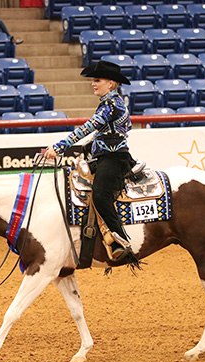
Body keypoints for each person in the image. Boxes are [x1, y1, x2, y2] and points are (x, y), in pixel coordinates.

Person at [44, 61, 135, 262]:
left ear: (110, 83)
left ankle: (121, 242)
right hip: (105, 156)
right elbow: (122, 128)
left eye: (97, 80)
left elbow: (89, 127)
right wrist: (95, 142)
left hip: (113, 159)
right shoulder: (113, 103)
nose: (93, 84)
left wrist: (59, 147)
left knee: (101, 195)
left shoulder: (111, 104)